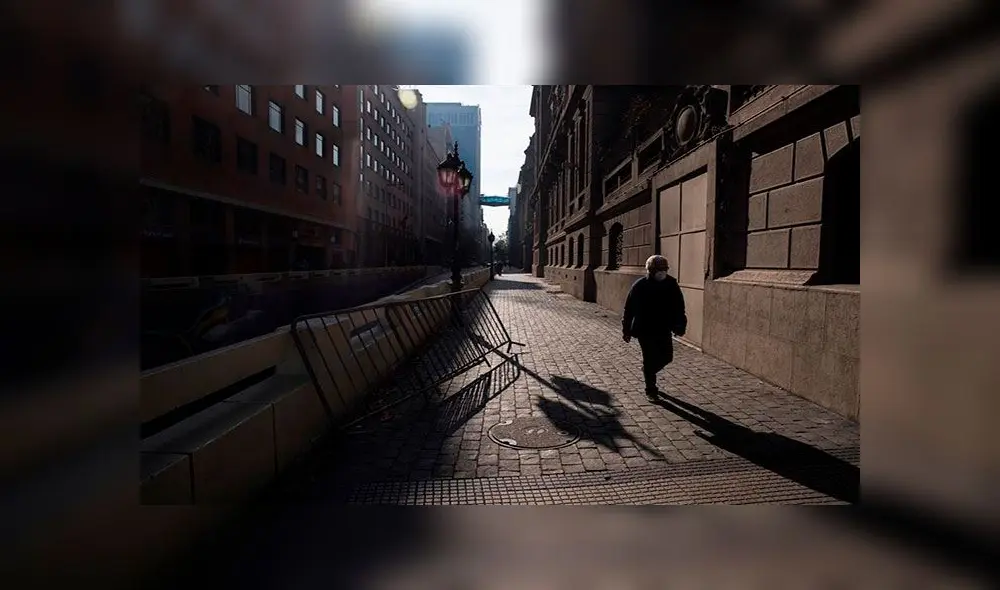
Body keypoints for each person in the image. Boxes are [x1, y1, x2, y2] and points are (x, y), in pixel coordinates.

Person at [622, 255, 687, 399]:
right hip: (645, 329)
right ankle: (651, 389)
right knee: (649, 358)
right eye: (659, 269)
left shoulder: (671, 284)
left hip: (664, 328)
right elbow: (629, 309)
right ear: (650, 270)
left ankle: (648, 371)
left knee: (667, 357)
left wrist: (680, 325)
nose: (662, 272)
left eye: (664, 269)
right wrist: (626, 330)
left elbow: (679, 306)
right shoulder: (639, 286)